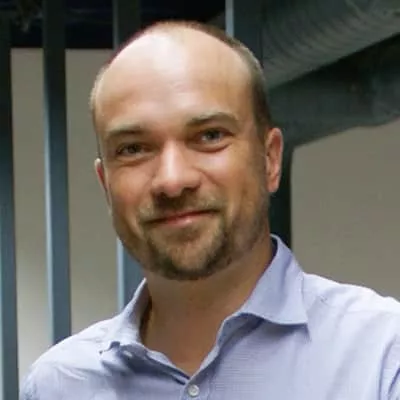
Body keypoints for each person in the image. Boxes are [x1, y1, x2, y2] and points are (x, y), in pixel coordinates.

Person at [20, 20, 400, 400]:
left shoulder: (382, 357)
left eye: (210, 136)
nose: (172, 180)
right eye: (133, 148)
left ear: (270, 160)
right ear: (106, 184)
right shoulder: (59, 385)